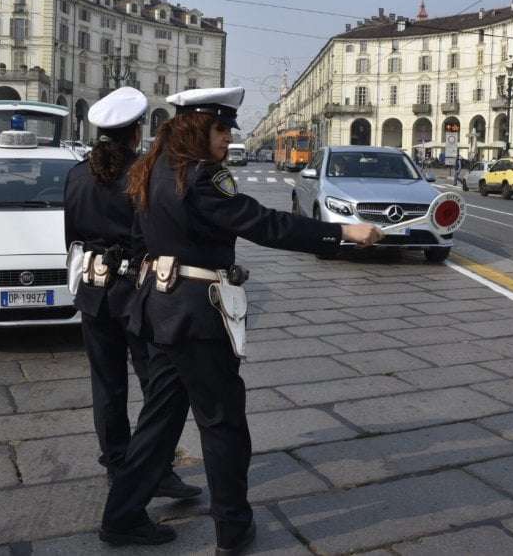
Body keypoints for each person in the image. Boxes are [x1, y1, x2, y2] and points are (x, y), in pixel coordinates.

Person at [100, 87, 382, 551]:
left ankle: (122, 516)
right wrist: (342, 231)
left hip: (159, 311)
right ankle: (232, 528)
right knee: (222, 422)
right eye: (221, 128)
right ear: (198, 128)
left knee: (160, 419)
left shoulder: (151, 171)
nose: (227, 138)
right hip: (195, 315)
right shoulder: (203, 178)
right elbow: (265, 224)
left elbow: (137, 239)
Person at [63, 87, 200, 499]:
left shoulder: (74, 174)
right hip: (138, 293)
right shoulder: (145, 172)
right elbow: (159, 235)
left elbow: (70, 238)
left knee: (106, 386)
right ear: (137, 131)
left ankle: (118, 464)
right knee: (157, 386)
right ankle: (154, 469)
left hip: (92, 290)